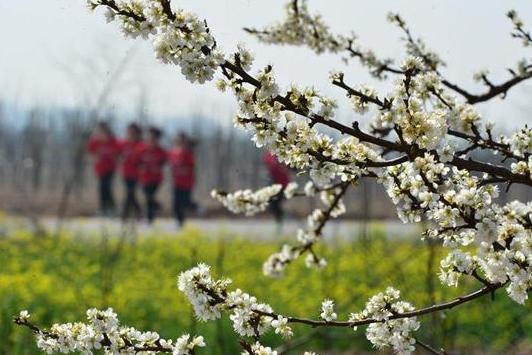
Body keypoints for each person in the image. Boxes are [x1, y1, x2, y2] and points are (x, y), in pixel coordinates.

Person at [134, 126, 167, 224]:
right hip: (144, 177)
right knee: (148, 198)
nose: (151, 140)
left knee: (149, 197)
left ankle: (150, 218)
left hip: (156, 178)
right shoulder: (141, 149)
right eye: (149, 137)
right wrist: (142, 166)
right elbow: (136, 161)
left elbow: (164, 162)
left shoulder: (160, 151)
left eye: (153, 138)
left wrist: (157, 167)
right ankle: (154, 210)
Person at [86, 121, 120, 217]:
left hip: (110, 169)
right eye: (99, 131)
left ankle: (110, 208)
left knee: (106, 187)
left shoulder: (112, 141)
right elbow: (89, 151)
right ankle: (104, 208)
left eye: (103, 131)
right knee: (101, 189)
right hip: (100, 169)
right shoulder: (95, 141)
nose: (101, 133)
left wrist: (115, 158)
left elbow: (118, 153)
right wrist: (94, 157)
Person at [169, 132, 197, 226]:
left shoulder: (188, 153)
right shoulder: (173, 152)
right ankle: (180, 221)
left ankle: (197, 208)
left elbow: (190, 167)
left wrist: (182, 170)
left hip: (187, 182)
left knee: (185, 202)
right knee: (176, 203)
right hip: (176, 181)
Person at [117, 123, 142, 220]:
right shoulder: (123, 144)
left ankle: (125, 214)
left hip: (136, 173)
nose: (130, 134)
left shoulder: (140, 145)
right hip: (125, 172)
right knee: (130, 193)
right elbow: (118, 154)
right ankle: (137, 211)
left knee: (130, 192)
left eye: (133, 132)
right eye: (129, 132)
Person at [263, 151, 290, 223]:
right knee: (273, 204)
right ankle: (278, 219)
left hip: (283, 184)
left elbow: (291, 167)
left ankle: (279, 220)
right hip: (273, 184)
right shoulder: (270, 155)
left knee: (278, 203)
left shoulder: (286, 154)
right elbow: (266, 161)